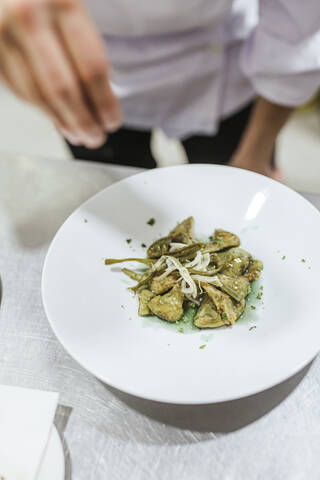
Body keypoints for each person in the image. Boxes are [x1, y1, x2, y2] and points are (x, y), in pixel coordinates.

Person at [0, 0, 319, 179]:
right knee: (120, 199)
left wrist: (255, 155)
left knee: (228, 192)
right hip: (88, 63)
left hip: (224, 67)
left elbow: (298, 32)